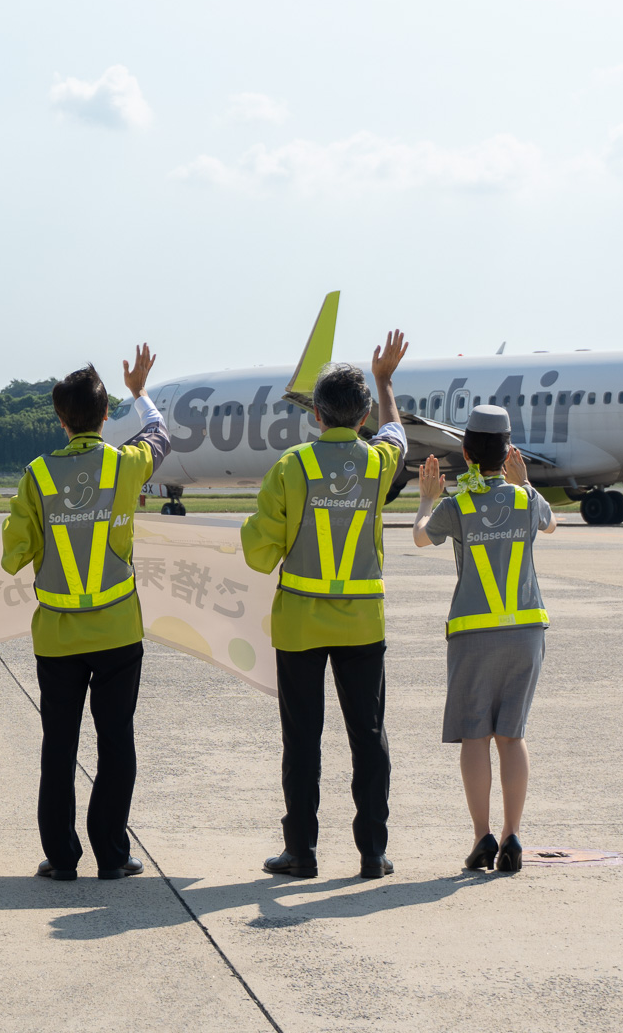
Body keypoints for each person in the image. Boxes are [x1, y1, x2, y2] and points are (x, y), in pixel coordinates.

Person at [240, 333, 409, 879]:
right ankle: (373, 852)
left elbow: (258, 552)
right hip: (362, 621)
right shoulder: (379, 463)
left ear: (315, 414)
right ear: (362, 416)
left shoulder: (292, 468)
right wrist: (385, 380)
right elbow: (398, 435)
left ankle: (301, 851)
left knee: (302, 741)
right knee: (369, 737)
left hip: (301, 625)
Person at [1, 345, 169, 882]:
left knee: (59, 746)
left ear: (60, 419)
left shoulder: (37, 475)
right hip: (117, 630)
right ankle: (112, 855)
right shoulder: (124, 464)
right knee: (116, 742)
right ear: (105, 416)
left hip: (57, 636)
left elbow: (13, 553)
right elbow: (160, 435)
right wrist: (140, 392)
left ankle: (61, 857)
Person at [410, 405, 557, 874]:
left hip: (474, 634)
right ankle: (513, 836)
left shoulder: (459, 505)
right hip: (526, 631)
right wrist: (525, 483)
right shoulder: (525, 499)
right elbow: (551, 523)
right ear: (509, 452)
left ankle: (482, 837)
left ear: (467, 453)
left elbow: (420, 538)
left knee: (474, 736)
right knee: (511, 736)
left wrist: (427, 499)